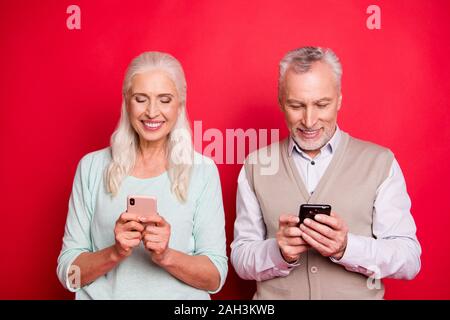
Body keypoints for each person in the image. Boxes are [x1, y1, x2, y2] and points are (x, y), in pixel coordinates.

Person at [230, 46, 421, 299]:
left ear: (339, 99)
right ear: (280, 102)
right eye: (296, 105)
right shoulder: (255, 166)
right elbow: (241, 259)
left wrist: (346, 248)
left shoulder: (380, 163)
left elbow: (409, 260)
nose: (309, 121)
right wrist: (278, 252)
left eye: (322, 104)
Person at [57, 52, 227, 299]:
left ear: (180, 104)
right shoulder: (91, 167)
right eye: (141, 99)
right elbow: (68, 274)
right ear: (127, 101)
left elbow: (215, 277)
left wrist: (166, 255)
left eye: (164, 100)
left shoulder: (203, 170)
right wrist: (115, 252)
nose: (152, 112)